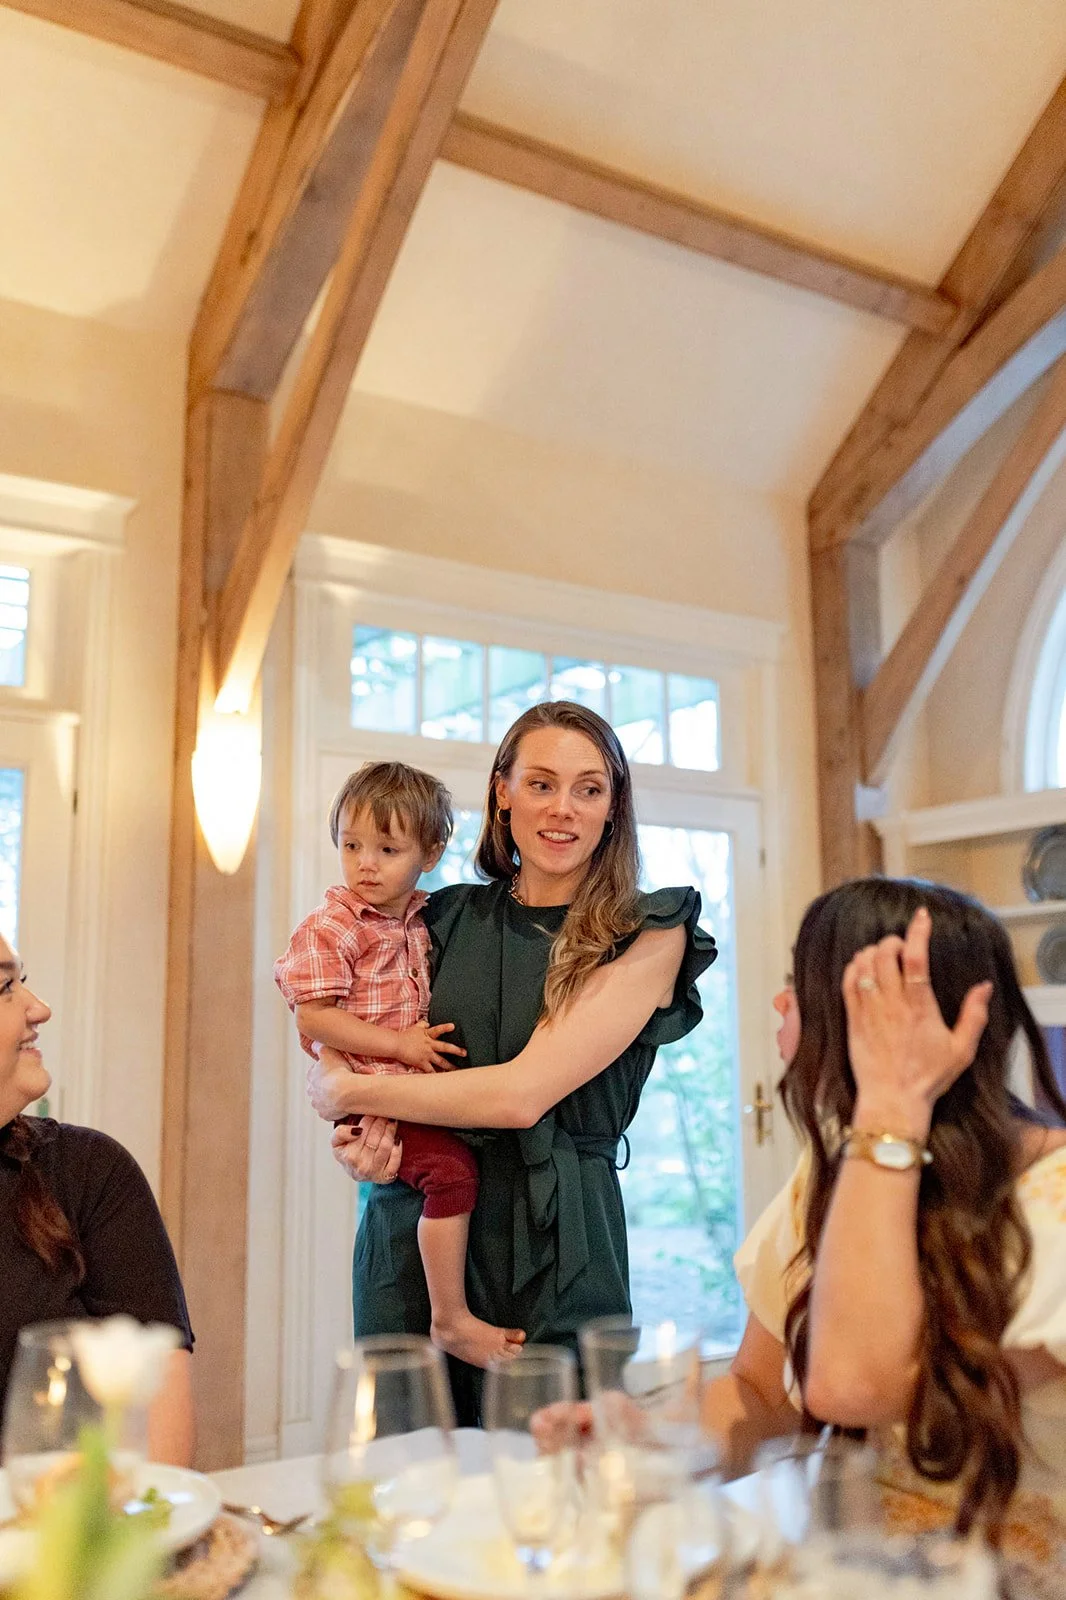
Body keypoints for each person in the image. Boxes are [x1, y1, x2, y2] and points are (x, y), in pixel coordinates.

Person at [537, 878, 1066, 1561]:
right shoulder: (843, 1170)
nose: (782, 1001)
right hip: (859, 1566)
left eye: (804, 984)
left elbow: (851, 1387)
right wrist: (655, 1440)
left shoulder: (1048, 1198)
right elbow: (761, 1391)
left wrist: (888, 1110)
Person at [305, 701, 717, 1422]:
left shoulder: (648, 931)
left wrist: (350, 1086)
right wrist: (346, 1113)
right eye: (541, 784)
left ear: (614, 806)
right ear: (502, 791)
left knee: (556, 1487)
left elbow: (520, 1096)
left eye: (589, 788)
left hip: (562, 1241)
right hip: (418, 1228)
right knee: (413, 1492)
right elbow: (343, 1020)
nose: (564, 809)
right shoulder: (438, 916)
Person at [275, 761, 522, 1368]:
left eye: (387, 849)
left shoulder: (422, 915)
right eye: (352, 845)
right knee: (452, 1176)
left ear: (431, 852)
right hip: (382, 1093)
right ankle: (451, 1316)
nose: (365, 863)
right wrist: (400, 1047)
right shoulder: (334, 925)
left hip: (395, 1094)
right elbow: (314, 1018)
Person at [0, 936, 195, 1464]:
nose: (38, 1007)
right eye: (5, 987)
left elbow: (162, 1451)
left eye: (22, 979)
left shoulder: (89, 1170)